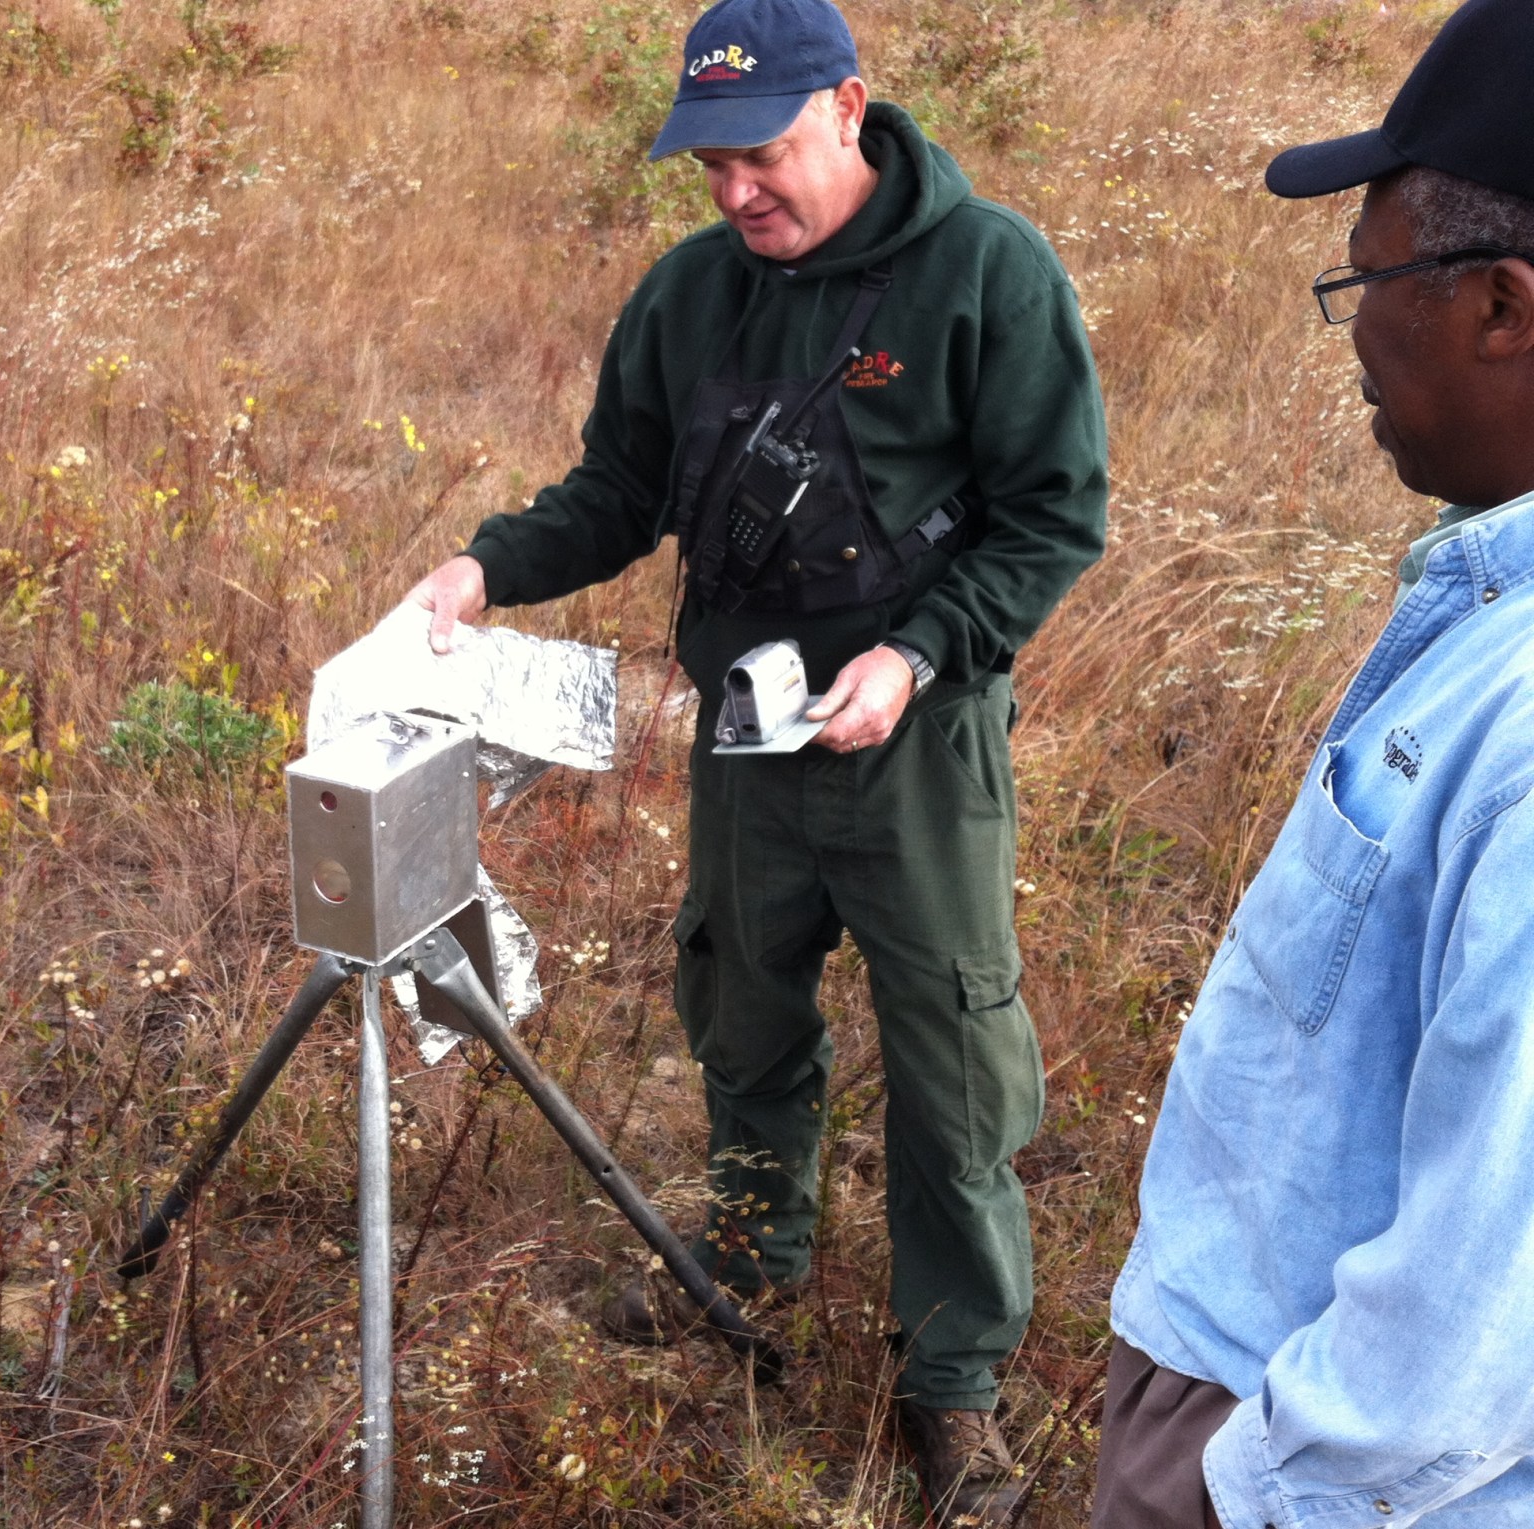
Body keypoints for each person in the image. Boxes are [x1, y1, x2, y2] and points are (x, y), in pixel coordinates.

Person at [399, 0, 1106, 1518]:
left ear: (850, 107)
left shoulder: (990, 273)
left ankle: (957, 1384)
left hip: (917, 749)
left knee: (953, 1059)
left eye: (764, 153)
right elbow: (617, 489)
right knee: (739, 1009)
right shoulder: (689, 294)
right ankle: (749, 1275)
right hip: (744, 746)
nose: (735, 192)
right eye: (710, 163)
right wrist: (485, 568)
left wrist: (915, 656)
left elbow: (1054, 518)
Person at [1093, 2, 1534, 1526]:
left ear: (1502, 304)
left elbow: (1479, 1316)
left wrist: (1233, 1490)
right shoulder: (1488, 619)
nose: (1354, 326)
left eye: (1370, 277)